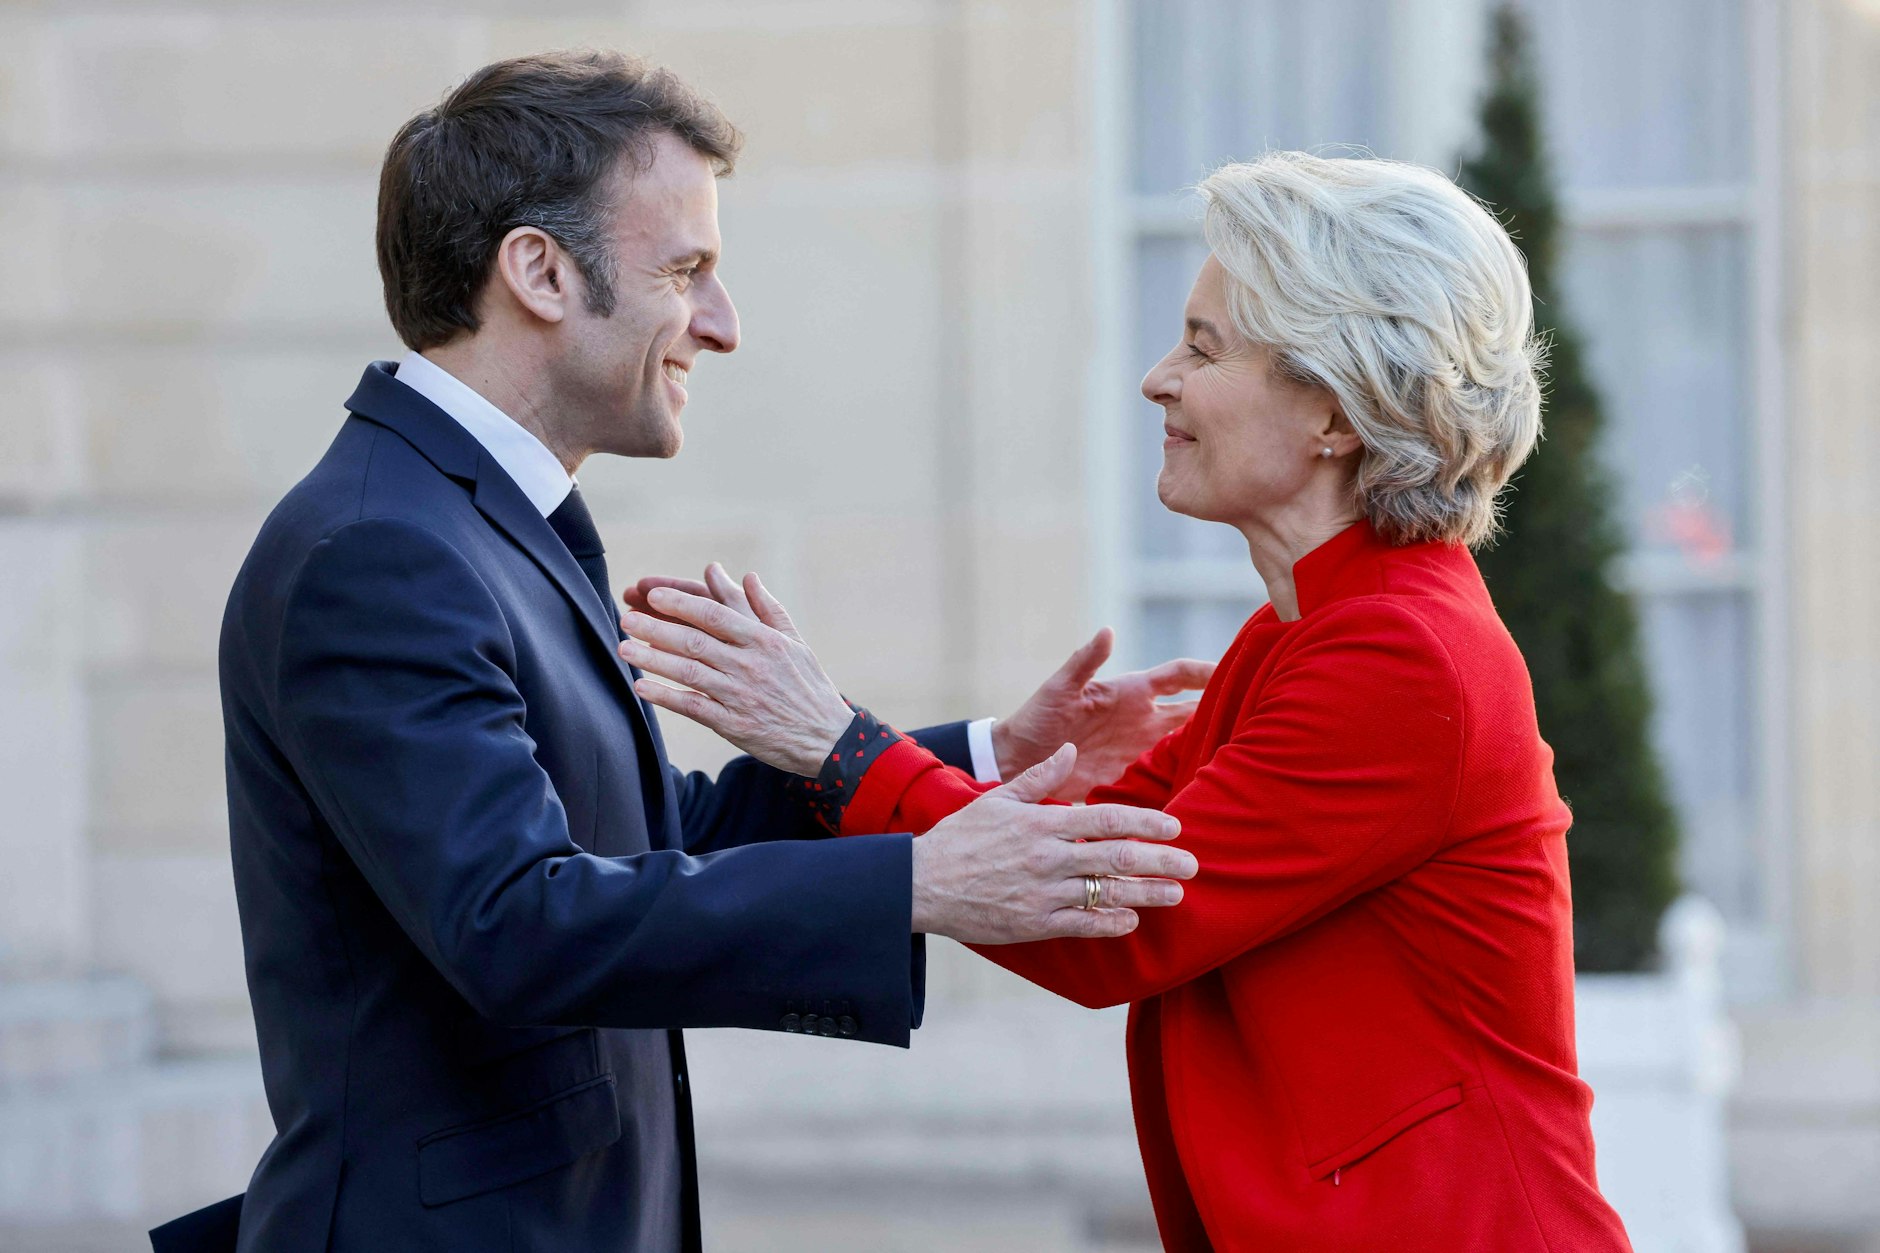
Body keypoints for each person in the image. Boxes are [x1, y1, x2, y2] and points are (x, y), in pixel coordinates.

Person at [153, 50, 1207, 1253]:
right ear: (539, 273)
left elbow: (658, 836)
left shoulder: (474, 518)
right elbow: (516, 918)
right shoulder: (376, 547)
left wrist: (977, 752)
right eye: (686, 269)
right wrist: (919, 884)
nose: (722, 323)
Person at [625, 152, 1636, 1250]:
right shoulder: (1307, 629)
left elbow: (1102, 922)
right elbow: (1067, 855)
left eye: (1202, 346)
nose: (1158, 378)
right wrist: (1000, 753)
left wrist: (836, 742)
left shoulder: (1401, 655)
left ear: (1335, 412)